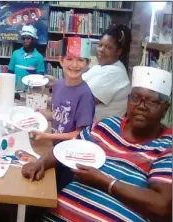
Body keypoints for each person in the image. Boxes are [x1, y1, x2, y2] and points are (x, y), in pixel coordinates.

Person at [23, 66, 172, 222]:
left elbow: (162, 205)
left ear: (165, 109)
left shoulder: (166, 148)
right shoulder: (106, 126)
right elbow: (66, 149)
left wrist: (105, 182)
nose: (141, 106)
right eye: (135, 97)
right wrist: (40, 163)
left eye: (151, 101)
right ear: (128, 99)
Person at [30, 37, 96, 191]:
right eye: (69, 59)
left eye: (80, 60)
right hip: (53, 149)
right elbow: (61, 114)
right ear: (61, 60)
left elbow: (79, 134)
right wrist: (45, 115)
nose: (74, 65)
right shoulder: (59, 84)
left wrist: (46, 136)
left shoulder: (85, 94)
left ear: (88, 64)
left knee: (58, 190)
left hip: (69, 156)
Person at [82, 24, 132, 120]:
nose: (101, 50)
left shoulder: (115, 72)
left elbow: (84, 99)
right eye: (100, 45)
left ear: (118, 51)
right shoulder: (99, 67)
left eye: (108, 48)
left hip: (100, 129)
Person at [8, 25, 45, 91]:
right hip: (15, 90)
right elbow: (10, 72)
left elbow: (41, 79)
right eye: (23, 38)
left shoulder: (39, 57)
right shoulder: (16, 53)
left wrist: (33, 73)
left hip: (31, 92)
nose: (25, 41)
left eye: (28, 38)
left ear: (33, 40)